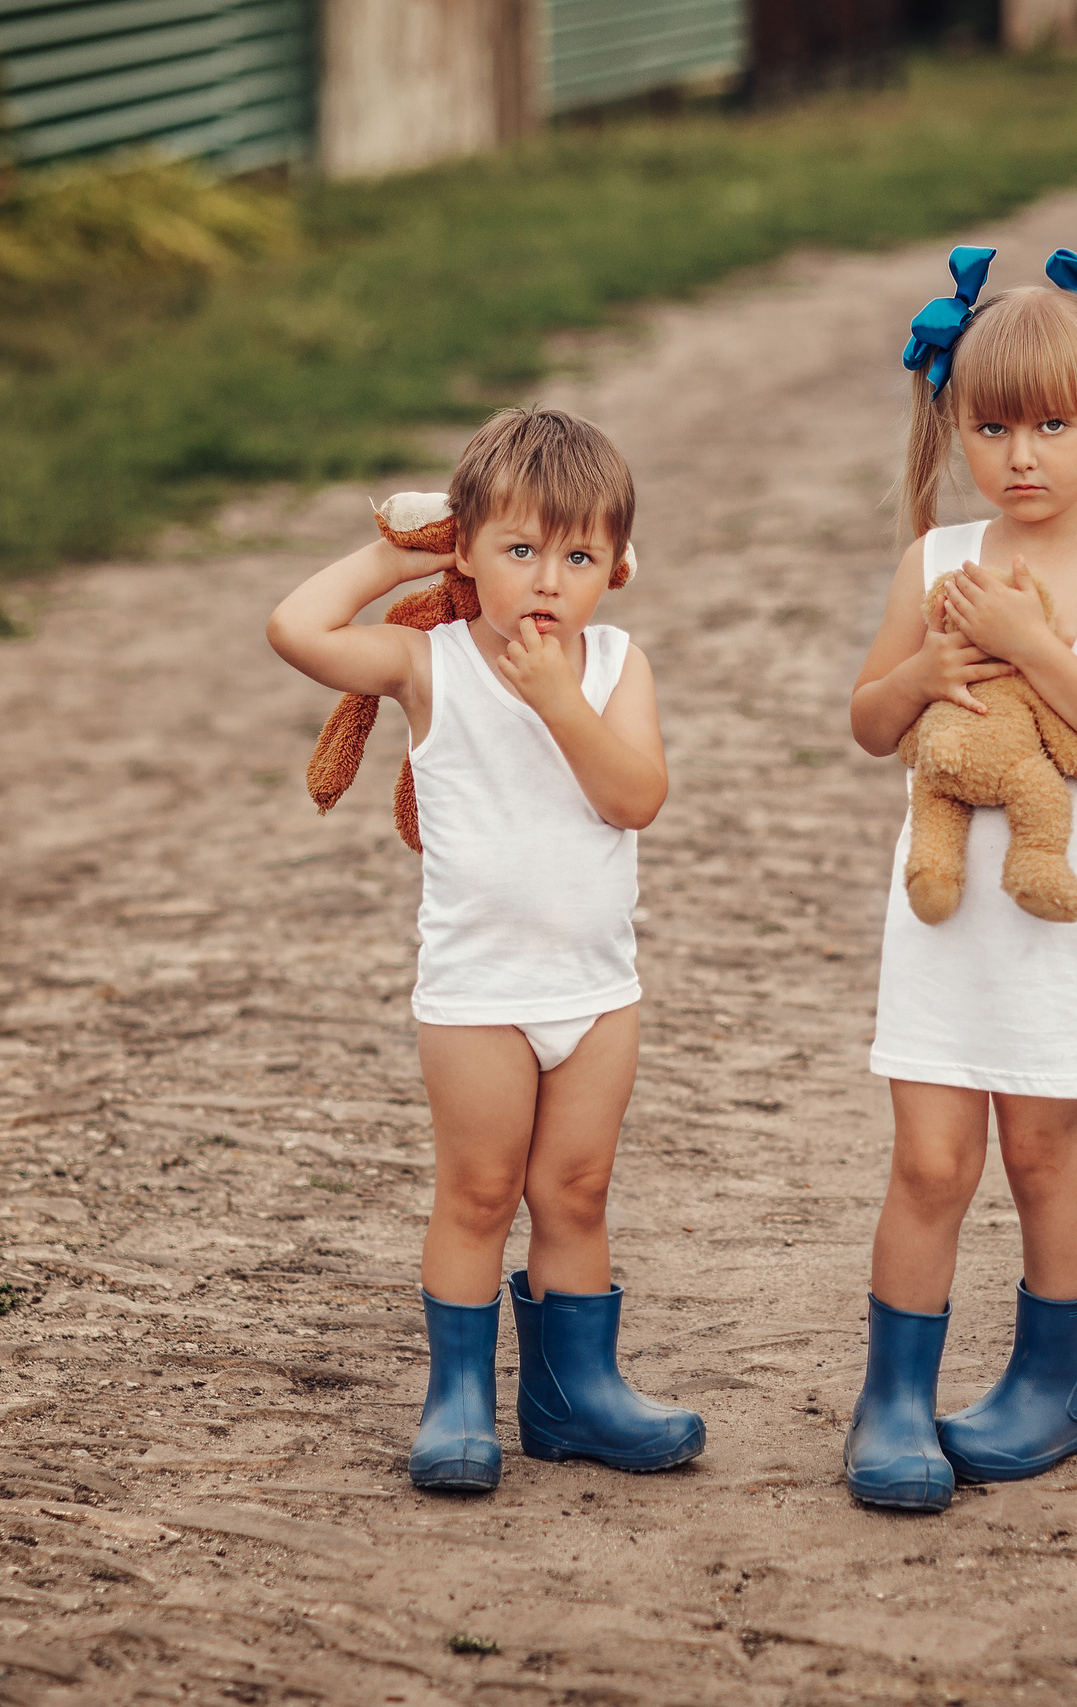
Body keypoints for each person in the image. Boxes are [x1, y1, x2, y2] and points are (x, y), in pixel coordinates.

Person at [266, 406, 704, 1492]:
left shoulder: (615, 666)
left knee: (576, 1192)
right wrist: (397, 551)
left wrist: (561, 703)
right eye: (518, 550)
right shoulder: (431, 664)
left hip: (595, 994)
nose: (547, 581)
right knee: (477, 1193)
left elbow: (635, 797)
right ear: (465, 550)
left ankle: (573, 1395)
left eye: (578, 557)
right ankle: (457, 1400)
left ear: (617, 566)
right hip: (478, 1000)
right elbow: (296, 628)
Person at [841, 247, 1077, 1511]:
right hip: (944, 924)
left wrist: (1025, 645)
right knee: (928, 1164)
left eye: (1052, 426)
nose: (1020, 456)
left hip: (1063, 930)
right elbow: (870, 722)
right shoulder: (936, 560)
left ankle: (1059, 1388)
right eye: (991, 427)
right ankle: (894, 1401)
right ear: (955, 426)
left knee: (1043, 1159)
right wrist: (925, 675)